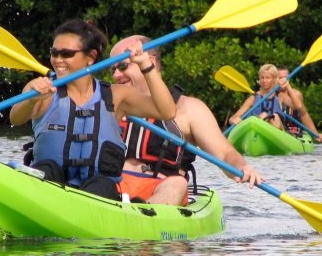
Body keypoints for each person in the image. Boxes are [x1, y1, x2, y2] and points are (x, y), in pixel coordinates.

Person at [9, 20, 176, 201]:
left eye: (66, 54)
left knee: (103, 185)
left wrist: (146, 66)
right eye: (54, 53)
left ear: (90, 57)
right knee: (45, 170)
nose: (58, 60)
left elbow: (166, 111)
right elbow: (16, 118)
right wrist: (31, 100)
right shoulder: (42, 90)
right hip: (50, 185)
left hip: (98, 193)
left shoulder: (116, 95)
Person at [111, 35, 264, 205]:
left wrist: (241, 167)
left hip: (161, 191)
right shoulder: (110, 105)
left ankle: (140, 216)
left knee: (177, 184)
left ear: (149, 60)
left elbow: (225, 153)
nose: (117, 75)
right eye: (112, 70)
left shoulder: (188, 108)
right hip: (113, 187)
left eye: (123, 66)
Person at [228, 64, 297, 130]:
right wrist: (234, 120)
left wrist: (288, 87)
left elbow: (297, 106)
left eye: (267, 78)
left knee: (273, 116)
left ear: (274, 79)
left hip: (276, 130)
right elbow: (232, 118)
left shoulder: (280, 97)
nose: (264, 80)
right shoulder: (253, 98)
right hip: (256, 129)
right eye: (262, 77)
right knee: (262, 116)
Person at [277, 65, 322, 142]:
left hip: (294, 131)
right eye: (280, 78)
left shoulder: (296, 94)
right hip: (276, 129)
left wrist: (316, 134)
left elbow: (304, 114)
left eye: (285, 78)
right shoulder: (269, 96)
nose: (283, 80)